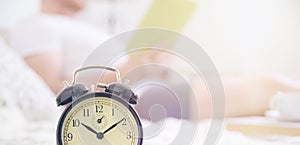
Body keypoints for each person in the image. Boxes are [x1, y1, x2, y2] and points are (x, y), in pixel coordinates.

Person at [10, 0, 300, 119]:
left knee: (258, 81)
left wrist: (149, 60)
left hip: (154, 81)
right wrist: (127, 70)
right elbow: (53, 89)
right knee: (268, 86)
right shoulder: (36, 24)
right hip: (139, 96)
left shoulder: (87, 27)